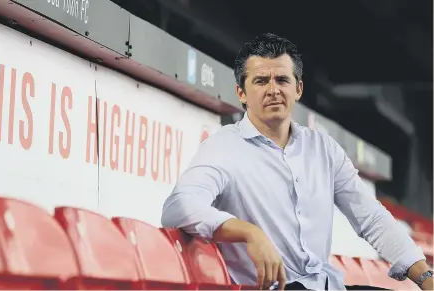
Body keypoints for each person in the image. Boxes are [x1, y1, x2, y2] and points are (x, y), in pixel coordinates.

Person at [161, 32, 432, 290]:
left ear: (298, 89)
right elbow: (178, 206)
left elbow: (371, 219)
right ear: (241, 93)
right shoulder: (224, 147)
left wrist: (426, 277)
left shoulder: (323, 148)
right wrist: (247, 232)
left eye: (282, 79)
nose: (273, 90)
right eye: (260, 81)